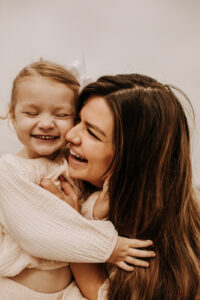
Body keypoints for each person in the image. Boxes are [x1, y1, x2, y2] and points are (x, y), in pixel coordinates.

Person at [0, 62, 154, 299]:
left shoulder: (67, 163)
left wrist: (102, 203)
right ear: (11, 114)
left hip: (70, 290)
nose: (46, 123)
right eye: (32, 113)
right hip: (18, 290)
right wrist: (108, 247)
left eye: (61, 115)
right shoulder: (11, 171)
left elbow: (77, 211)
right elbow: (34, 232)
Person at [45, 73, 199, 300]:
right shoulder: (51, 179)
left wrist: (73, 223)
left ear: (134, 160)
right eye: (78, 120)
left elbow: (104, 294)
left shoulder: (169, 240)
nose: (70, 135)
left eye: (92, 133)